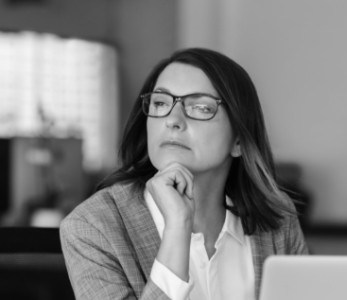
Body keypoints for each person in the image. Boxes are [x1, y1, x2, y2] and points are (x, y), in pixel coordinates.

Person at [60, 48, 308, 300]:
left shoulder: (278, 219)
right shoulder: (91, 226)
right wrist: (178, 228)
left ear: (239, 140)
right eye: (160, 103)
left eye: (200, 107)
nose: (172, 120)